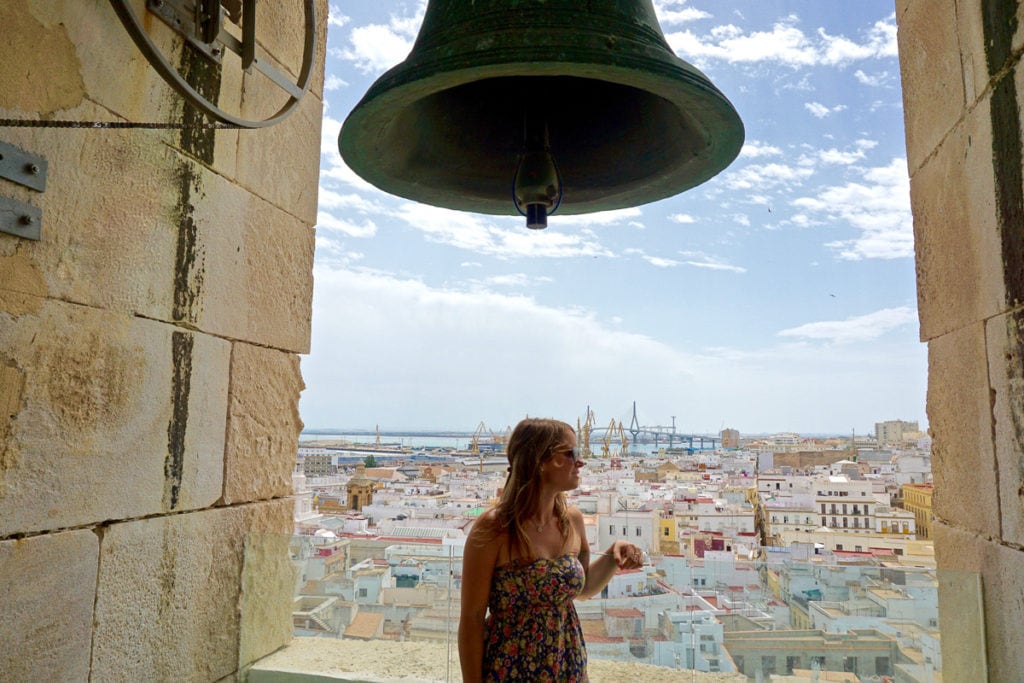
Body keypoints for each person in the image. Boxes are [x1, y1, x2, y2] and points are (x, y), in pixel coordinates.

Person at [458, 417, 645, 682]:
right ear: (540, 461)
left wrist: (614, 555)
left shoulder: (573, 520)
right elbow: (472, 619)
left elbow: (584, 587)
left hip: (568, 666)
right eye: (572, 453)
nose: (580, 462)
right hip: (511, 671)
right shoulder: (493, 529)